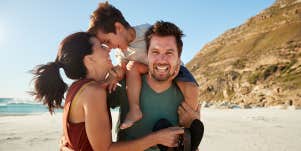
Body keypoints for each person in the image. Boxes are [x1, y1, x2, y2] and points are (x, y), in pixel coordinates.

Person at [31, 32, 184, 151]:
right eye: (101, 47)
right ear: (89, 60)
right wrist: (157, 138)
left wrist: (109, 80)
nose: (108, 49)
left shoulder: (78, 88)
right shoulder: (93, 92)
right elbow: (105, 149)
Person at [88, 2, 200, 129]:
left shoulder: (146, 31)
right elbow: (122, 69)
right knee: (132, 66)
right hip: (148, 70)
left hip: (172, 68)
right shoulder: (120, 52)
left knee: (192, 89)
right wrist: (114, 75)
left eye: (108, 41)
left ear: (118, 27)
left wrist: (176, 63)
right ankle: (134, 110)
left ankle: (191, 122)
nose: (110, 47)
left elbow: (169, 45)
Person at [106, 21, 204, 151]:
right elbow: (103, 147)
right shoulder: (125, 87)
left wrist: (193, 133)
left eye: (169, 53)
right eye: (155, 52)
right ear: (147, 55)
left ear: (179, 58)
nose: (162, 59)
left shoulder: (187, 96)